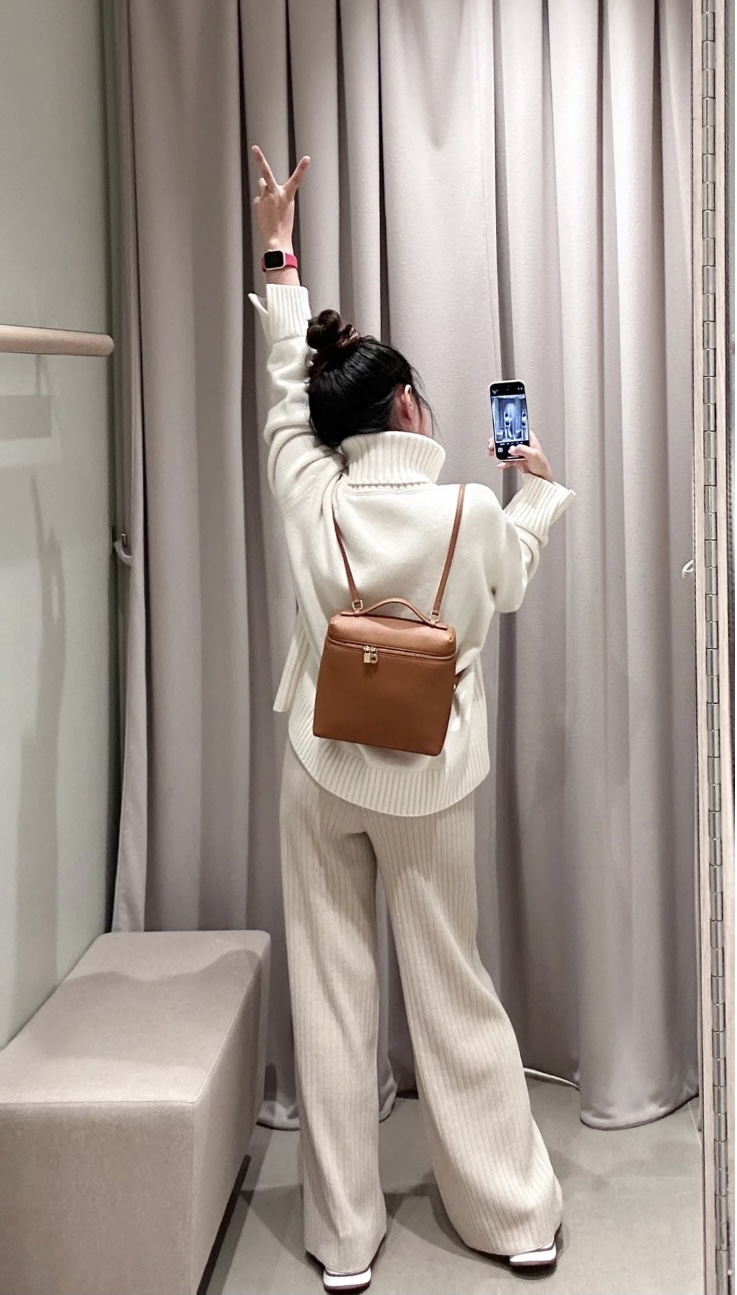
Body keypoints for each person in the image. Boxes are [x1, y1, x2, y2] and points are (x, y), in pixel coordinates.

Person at [249, 146, 574, 1295]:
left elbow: (279, 397)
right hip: (428, 775)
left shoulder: (309, 494)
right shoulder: (465, 511)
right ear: (406, 407)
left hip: (320, 763)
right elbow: (511, 578)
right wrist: (536, 489)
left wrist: (279, 256)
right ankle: (510, 1214)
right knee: (450, 984)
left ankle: (342, 1238)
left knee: (331, 992)